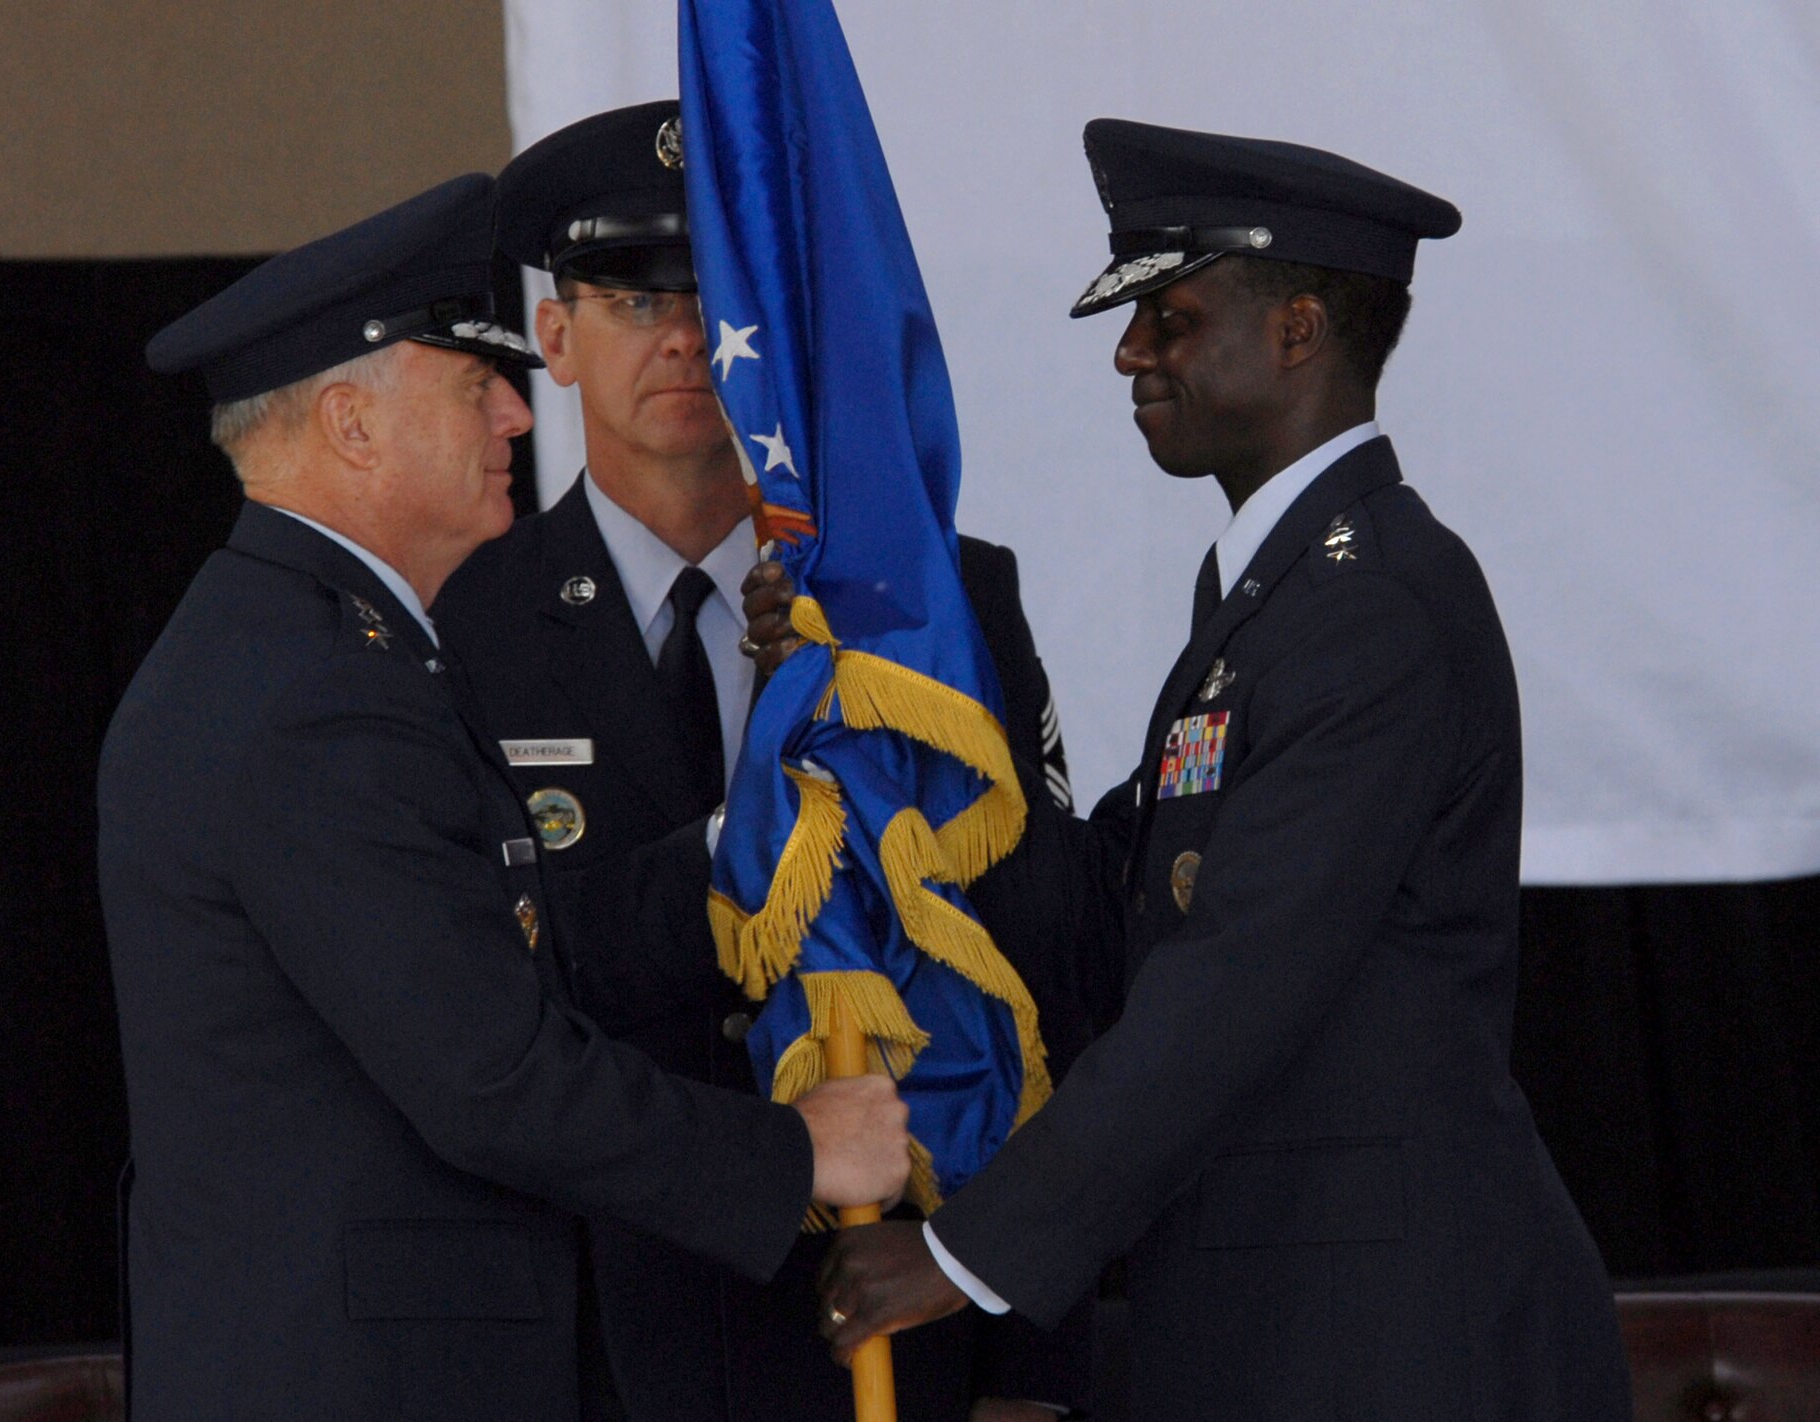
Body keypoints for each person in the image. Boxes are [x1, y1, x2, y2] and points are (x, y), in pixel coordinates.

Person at [767, 122, 1634, 1420]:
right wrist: (893, 704)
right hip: (1287, 1317)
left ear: (1296, 330)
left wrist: (962, 1248)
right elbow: (1113, 901)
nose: (1129, 352)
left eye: (1169, 317)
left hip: (1392, 1337)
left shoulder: (1372, 602)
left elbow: (1231, 980)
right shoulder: (1267, 597)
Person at [98, 172, 911, 1422]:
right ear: (351, 425)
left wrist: (737, 853)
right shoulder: (316, 693)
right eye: (473, 386)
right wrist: (799, 1150)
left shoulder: (317, 648)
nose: (515, 420)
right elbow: (491, 1078)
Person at [432, 103, 1091, 1422]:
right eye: (630, 298)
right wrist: (765, 832)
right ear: (554, 337)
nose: (684, 336)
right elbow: (478, 985)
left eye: (718, 295)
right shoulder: (463, 622)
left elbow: (1041, 962)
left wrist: (1021, 1346)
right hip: (603, 1329)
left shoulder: (931, 610)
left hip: (892, 1306)